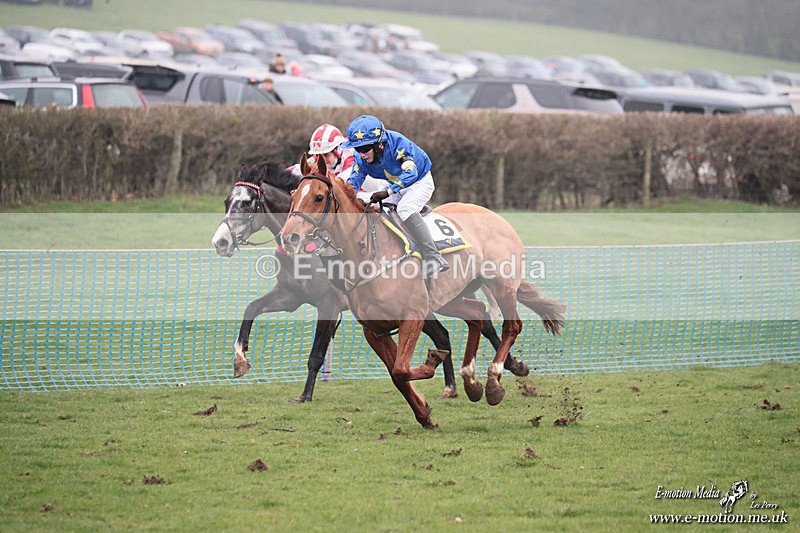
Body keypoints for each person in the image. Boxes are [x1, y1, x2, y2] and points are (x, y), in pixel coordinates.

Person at [343, 114, 449, 277]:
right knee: (371, 206)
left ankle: (434, 256)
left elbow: (411, 173)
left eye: (365, 149)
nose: (362, 154)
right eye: (358, 149)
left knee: (405, 209)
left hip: (418, 182)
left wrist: (388, 192)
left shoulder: (398, 144)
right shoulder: (360, 157)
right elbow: (354, 181)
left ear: (378, 145)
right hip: (394, 184)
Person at [290, 123, 382, 203]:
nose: (322, 160)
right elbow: (298, 169)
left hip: (374, 191)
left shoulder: (352, 154)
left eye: (325, 155)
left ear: (337, 150)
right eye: (318, 155)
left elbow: (342, 183)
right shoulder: (319, 157)